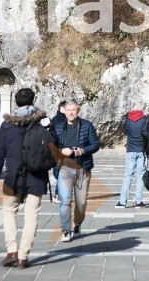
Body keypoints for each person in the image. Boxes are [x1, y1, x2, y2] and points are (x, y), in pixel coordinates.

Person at [0, 88, 57, 269]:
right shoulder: (44, 121)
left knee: (9, 211)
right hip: (37, 176)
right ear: (33, 101)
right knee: (32, 215)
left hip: (13, 177)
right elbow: (54, 146)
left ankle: (11, 250)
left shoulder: (7, 125)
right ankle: (23, 256)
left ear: (16, 102)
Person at [53, 100, 100, 242]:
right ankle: (66, 230)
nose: (71, 113)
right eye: (69, 110)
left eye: (73, 110)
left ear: (78, 111)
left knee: (81, 203)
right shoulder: (59, 127)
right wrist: (62, 150)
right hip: (65, 168)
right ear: (64, 111)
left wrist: (83, 150)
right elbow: (52, 146)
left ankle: (77, 223)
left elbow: (95, 144)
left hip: (83, 169)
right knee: (65, 201)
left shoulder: (87, 125)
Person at [117, 102, 149, 208]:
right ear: (142, 109)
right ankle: (138, 201)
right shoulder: (146, 120)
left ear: (134, 108)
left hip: (131, 150)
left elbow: (126, 132)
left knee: (128, 175)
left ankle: (122, 202)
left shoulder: (127, 120)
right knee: (141, 176)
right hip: (142, 151)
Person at [50, 101, 68, 203]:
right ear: (63, 108)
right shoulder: (59, 120)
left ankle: (59, 194)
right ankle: (57, 194)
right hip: (60, 150)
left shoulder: (56, 119)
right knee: (61, 173)